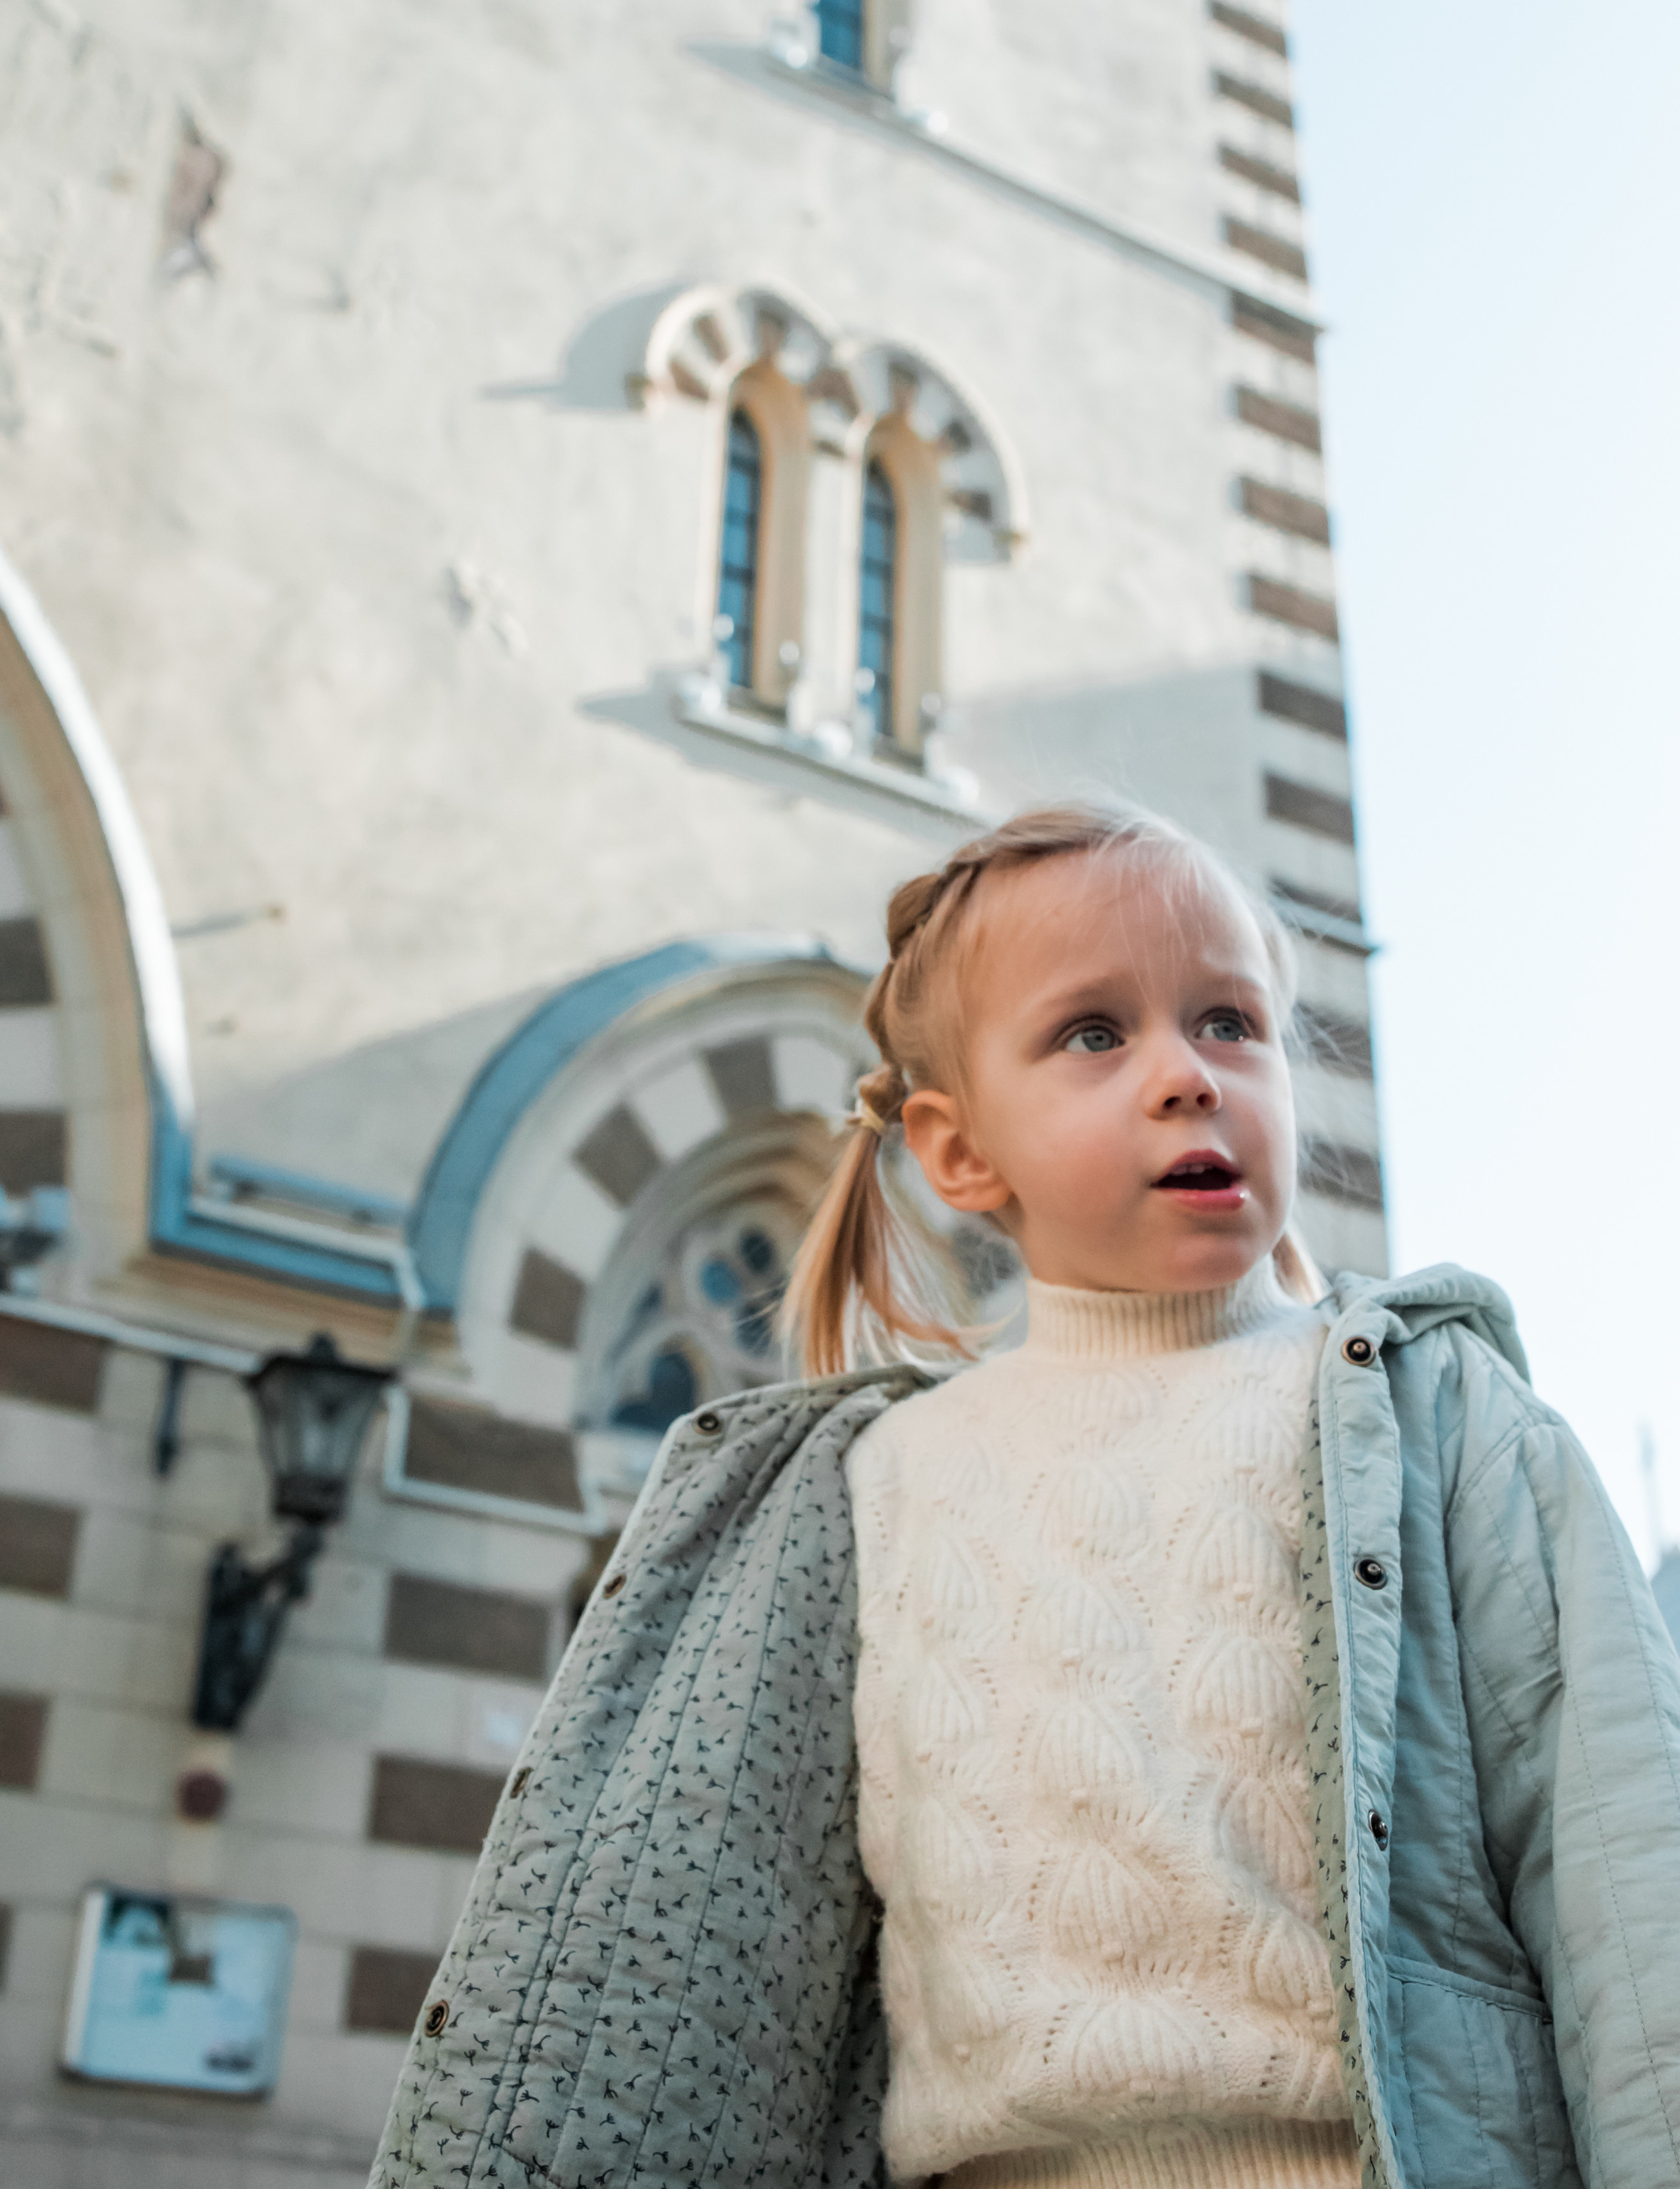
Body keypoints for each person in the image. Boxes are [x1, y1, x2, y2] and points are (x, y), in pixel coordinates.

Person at [370, 801, 1680, 2189]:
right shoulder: (862, 1493)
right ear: (955, 1150)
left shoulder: (1439, 1415)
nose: (1185, 1074)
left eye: (1229, 1022)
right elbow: (695, 1960)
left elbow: (1623, 1868)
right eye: (1092, 1034)